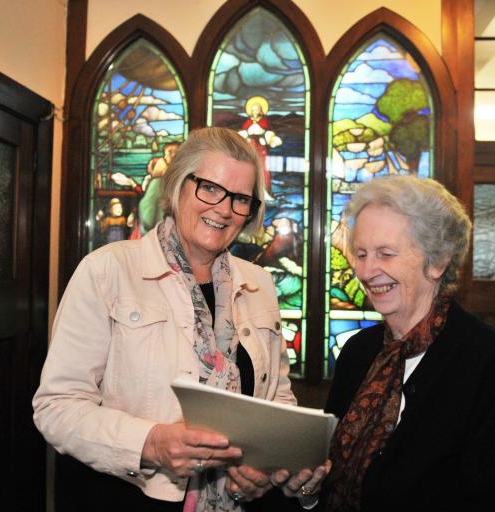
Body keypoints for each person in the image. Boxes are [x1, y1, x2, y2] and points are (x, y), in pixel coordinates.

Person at [33, 127, 329, 511]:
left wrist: (270, 464)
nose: (223, 209)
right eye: (209, 188)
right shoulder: (107, 270)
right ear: (177, 186)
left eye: (241, 199)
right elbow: (56, 407)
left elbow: (278, 400)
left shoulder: (258, 283)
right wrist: (150, 442)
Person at [321, 175, 495, 511]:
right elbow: (327, 471)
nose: (366, 271)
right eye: (361, 254)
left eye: (386, 253)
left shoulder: (491, 362)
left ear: (437, 260)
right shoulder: (357, 352)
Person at [238, 96, 281, 198]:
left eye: (257, 109)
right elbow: (245, 132)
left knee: (261, 168)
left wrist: (270, 138)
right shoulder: (248, 122)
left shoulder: (264, 122)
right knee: (248, 167)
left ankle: (264, 191)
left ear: (261, 110)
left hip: (261, 148)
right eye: (253, 109)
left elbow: (267, 134)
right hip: (250, 147)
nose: (255, 111)